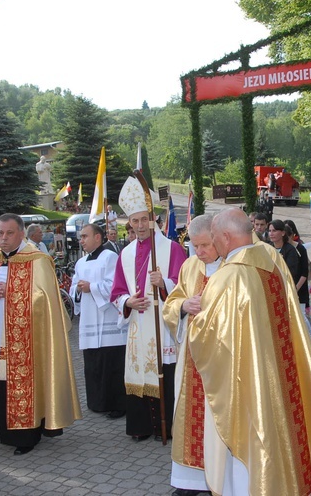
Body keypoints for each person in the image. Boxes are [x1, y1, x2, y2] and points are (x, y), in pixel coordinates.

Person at [189, 208, 311, 495]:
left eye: (213, 237)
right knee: (280, 425)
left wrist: (198, 314)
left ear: (226, 237)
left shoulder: (228, 277)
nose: (212, 243)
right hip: (279, 368)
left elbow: (208, 336)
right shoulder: (271, 262)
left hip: (247, 382)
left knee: (249, 441)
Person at [0, 213, 81, 456]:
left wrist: (13, 292)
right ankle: (5, 430)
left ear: (21, 234)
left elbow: (45, 300)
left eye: (9, 233)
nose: (4, 238)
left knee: (24, 383)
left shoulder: (38, 260)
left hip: (27, 339)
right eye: (0, 233)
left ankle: (27, 435)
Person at [109, 176, 187, 442]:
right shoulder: (125, 254)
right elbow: (116, 292)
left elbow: (184, 287)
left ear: (153, 219)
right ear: (129, 223)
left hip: (162, 327)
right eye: (135, 221)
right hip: (137, 325)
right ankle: (141, 427)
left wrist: (163, 282)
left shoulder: (172, 249)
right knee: (138, 370)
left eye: (144, 219)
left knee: (163, 371)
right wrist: (127, 302)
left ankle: (166, 427)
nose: (140, 226)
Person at [162, 214, 222, 496]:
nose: (199, 252)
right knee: (192, 420)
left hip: (222, 363)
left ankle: (219, 480)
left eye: (205, 245)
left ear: (220, 238)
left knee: (217, 422)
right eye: (195, 246)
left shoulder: (233, 268)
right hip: (192, 364)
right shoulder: (190, 266)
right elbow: (171, 303)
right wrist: (184, 305)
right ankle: (190, 481)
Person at [70, 223, 127, 419]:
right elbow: (73, 287)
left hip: (107, 320)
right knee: (93, 364)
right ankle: (97, 402)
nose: (81, 240)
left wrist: (91, 287)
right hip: (89, 319)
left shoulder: (110, 257)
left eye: (85, 236)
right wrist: (78, 288)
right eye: (81, 237)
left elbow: (116, 285)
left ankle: (117, 404)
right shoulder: (81, 262)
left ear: (98, 237)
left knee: (112, 365)